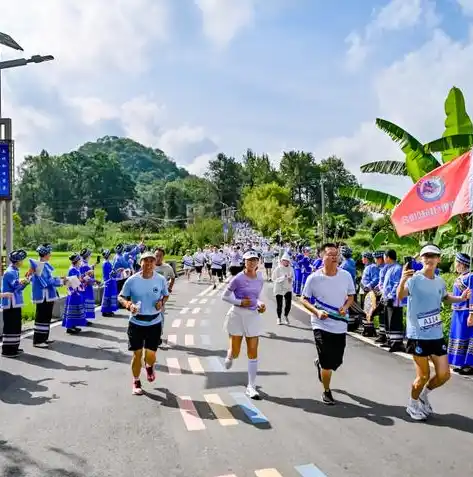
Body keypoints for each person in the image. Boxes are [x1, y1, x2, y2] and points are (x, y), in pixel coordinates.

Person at [397, 244, 470, 421]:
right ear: (421, 259)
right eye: (426, 256)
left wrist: (460, 298)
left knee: (444, 374)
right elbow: (400, 296)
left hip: (436, 334)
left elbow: (445, 298)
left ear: (439, 259)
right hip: (418, 335)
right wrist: (402, 280)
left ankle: (423, 395)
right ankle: (412, 404)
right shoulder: (414, 279)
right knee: (423, 376)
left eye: (433, 255)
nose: (429, 259)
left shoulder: (439, 281)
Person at [301, 243, 355, 405]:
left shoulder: (345, 276)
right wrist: (316, 312)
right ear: (321, 257)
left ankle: (321, 364)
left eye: (336, 255)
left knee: (336, 361)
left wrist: (345, 307)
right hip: (321, 324)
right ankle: (326, 391)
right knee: (327, 362)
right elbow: (304, 299)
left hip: (339, 324)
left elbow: (351, 296)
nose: (334, 258)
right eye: (330, 255)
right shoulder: (314, 278)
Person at [118, 251, 169, 395]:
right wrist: (128, 305)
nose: (148, 264)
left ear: (154, 263)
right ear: (140, 263)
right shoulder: (132, 280)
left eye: (151, 261)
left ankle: (149, 366)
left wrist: (161, 302)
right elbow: (121, 296)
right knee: (137, 354)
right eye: (145, 261)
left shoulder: (160, 279)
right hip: (136, 323)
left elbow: (165, 295)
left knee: (150, 356)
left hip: (154, 322)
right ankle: (136, 380)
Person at [222, 250, 266, 400]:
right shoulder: (238, 278)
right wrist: (240, 302)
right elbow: (225, 296)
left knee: (253, 350)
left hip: (253, 316)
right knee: (235, 351)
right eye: (249, 260)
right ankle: (230, 354)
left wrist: (261, 305)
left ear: (258, 262)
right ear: (244, 262)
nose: (252, 262)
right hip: (237, 315)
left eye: (255, 260)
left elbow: (257, 298)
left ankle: (251, 386)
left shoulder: (260, 278)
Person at [31, 244, 64, 347]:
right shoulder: (39, 265)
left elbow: (49, 279)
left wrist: (59, 279)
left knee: (46, 316)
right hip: (43, 296)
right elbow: (47, 281)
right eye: (49, 253)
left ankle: (44, 338)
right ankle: (38, 340)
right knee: (42, 317)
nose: (50, 254)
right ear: (45, 254)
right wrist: (60, 280)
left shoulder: (43, 264)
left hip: (47, 295)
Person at [448, 252, 473, 375]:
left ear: (462, 264)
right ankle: (461, 362)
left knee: (466, 337)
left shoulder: (470, 277)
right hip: (457, 312)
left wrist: (471, 313)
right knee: (458, 337)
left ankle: (469, 364)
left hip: (465, 312)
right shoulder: (460, 278)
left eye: (456, 262)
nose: (455, 264)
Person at [1, 250, 29, 358]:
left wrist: (25, 280)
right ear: (17, 261)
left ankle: (14, 347)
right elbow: (16, 287)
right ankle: (8, 350)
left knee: (16, 326)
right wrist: (26, 281)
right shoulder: (10, 272)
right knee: (11, 326)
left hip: (14, 302)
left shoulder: (14, 270)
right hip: (10, 303)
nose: (22, 262)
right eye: (21, 260)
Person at [382, 249, 405, 352]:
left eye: (384, 256)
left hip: (395, 299)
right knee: (388, 320)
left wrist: (391, 296)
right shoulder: (389, 268)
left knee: (394, 320)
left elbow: (396, 283)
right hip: (387, 298)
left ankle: (397, 343)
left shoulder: (397, 268)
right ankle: (390, 340)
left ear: (388, 257)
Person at [154, 247, 176, 348]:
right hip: (149, 296)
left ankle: (158, 335)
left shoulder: (167, 268)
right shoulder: (150, 265)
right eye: (156, 255)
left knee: (160, 316)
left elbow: (173, 277)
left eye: (160, 256)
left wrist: (170, 288)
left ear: (163, 257)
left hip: (161, 296)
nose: (158, 258)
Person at [62, 253, 88, 335]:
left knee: (75, 309)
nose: (80, 261)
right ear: (77, 261)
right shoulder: (73, 270)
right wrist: (84, 280)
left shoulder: (75, 269)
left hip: (75, 291)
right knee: (72, 309)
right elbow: (74, 281)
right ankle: (69, 327)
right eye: (79, 260)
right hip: (74, 292)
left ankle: (72, 325)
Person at [272, 252, 293, 325]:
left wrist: (290, 279)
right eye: (284, 260)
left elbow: (293, 278)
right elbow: (274, 279)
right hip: (279, 288)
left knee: (288, 305)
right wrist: (283, 277)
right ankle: (279, 318)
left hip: (288, 288)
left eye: (287, 260)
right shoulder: (278, 269)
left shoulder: (291, 269)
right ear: (281, 261)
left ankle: (286, 316)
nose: (286, 262)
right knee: (279, 304)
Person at [79, 249, 97, 326]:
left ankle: (83, 319)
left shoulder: (82, 264)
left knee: (83, 302)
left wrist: (92, 267)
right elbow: (88, 277)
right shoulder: (85, 265)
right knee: (86, 302)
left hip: (82, 286)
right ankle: (83, 319)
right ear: (87, 256)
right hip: (87, 286)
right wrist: (95, 281)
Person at [101, 249, 118, 317]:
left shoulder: (107, 262)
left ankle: (109, 310)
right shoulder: (106, 263)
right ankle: (105, 311)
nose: (111, 255)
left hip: (110, 281)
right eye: (110, 254)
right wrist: (116, 272)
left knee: (110, 296)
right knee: (107, 296)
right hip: (109, 282)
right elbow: (109, 274)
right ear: (108, 255)